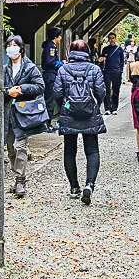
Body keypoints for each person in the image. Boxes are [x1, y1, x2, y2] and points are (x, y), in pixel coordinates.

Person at [53, 40, 107, 205]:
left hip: (69, 114)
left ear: (70, 52)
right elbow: (101, 91)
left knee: (70, 150)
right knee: (92, 150)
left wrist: (65, 105)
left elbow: (57, 92)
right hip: (90, 114)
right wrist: (93, 104)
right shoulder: (94, 69)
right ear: (88, 52)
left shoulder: (63, 69)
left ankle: (74, 186)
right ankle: (89, 184)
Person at [4, 35, 47, 198]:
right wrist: (8, 91)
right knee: (11, 148)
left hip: (22, 114)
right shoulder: (4, 68)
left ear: (21, 49)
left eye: (15, 45)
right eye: (9, 45)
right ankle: (16, 178)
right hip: (8, 113)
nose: (12, 47)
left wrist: (21, 88)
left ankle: (21, 180)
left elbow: (40, 86)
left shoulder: (29, 68)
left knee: (20, 146)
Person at [40, 27, 63, 132]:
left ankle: (46, 123)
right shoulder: (51, 47)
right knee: (50, 100)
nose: (61, 38)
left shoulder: (50, 46)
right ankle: (46, 124)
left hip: (50, 75)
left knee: (49, 100)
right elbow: (50, 62)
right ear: (56, 37)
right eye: (60, 36)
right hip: (50, 75)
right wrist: (61, 63)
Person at [99, 32, 125, 114]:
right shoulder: (105, 49)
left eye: (113, 38)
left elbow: (122, 61)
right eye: (110, 38)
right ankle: (107, 108)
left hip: (116, 72)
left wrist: (120, 70)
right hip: (107, 71)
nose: (111, 40)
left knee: (115, 90)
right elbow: (101, 60)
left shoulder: (119, 49)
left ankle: (114, 108)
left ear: (115, 39)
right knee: (107, 91)